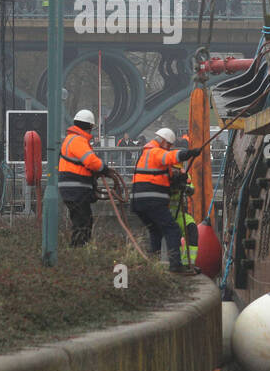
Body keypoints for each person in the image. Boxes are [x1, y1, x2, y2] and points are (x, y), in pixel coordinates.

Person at [130, 127, 204, 274]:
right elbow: (170, 157)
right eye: (169, 145)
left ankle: (152, 265)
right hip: (152, 200)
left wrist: (179, 179)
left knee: (155, 231)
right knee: (172, 230)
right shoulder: (155, 152)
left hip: (139, 201)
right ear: (163, 141)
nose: (169, 148)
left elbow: (169, 176)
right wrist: (188, 153)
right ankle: (176, 265)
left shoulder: (146, 155)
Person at [57, 109, 122, 247]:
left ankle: (77, 252)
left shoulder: (71, 139)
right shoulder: (77, 140)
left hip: (72, 189)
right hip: (76, 189)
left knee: (82, 221)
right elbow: (91, 161)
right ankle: (78, 253)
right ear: (89, 127)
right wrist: (105, 169)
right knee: (83, 223)